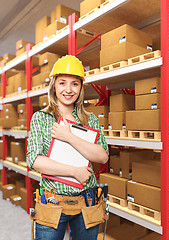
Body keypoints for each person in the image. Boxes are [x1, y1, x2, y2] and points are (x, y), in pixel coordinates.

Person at [26, 55, 109, 240]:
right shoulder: (41, 118)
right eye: (62, 83)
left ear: (81, 88)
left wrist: (68, 137)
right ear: (54, 85)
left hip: (87, 203)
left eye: (75, 84)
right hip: (52, 202)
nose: (68, 90)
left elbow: (102, 156)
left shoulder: (91, 120)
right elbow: (34, 160)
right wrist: (74, 172)